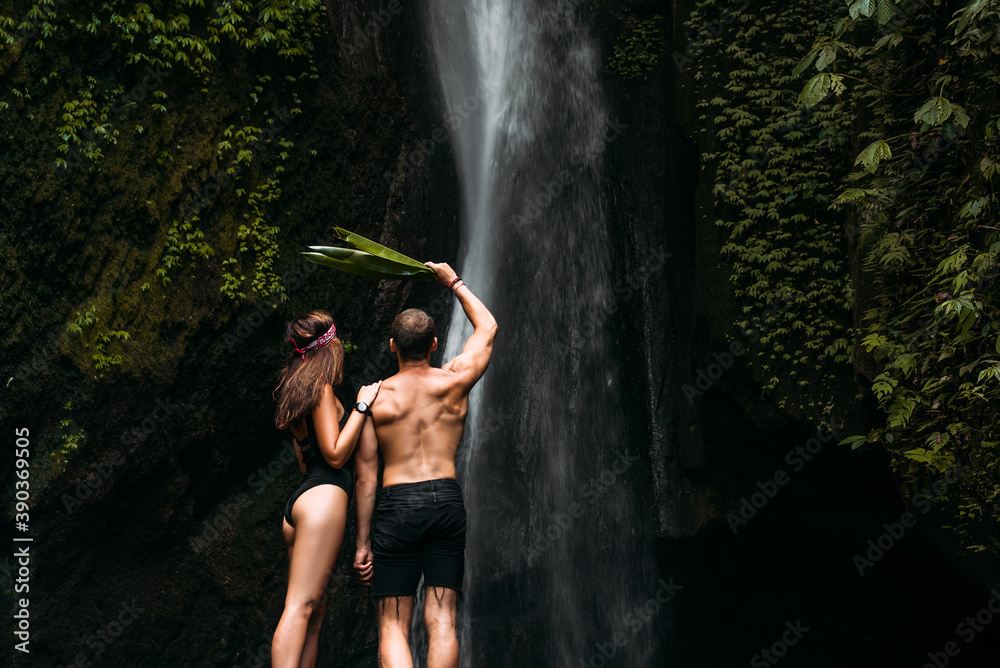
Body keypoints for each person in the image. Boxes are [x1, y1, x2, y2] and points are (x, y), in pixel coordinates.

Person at [353, 262, 498, 668]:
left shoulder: (374, 397)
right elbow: (487, 328)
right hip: (446, 501)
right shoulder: (454, 380)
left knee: (393, 626)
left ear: (392, 346)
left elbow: (366, 475)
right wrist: (453, 281)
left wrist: (363, 543)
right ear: (435, 344)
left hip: (397, 506)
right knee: (443, 620)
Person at [271, 310, 381, 668]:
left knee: (314, 613)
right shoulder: (321, 389)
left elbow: (306, 461)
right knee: (300, 607)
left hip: (302, 500)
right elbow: (334, 455)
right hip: (324, 498)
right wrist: (361, 407)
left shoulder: (295, 388)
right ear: (329, 345)